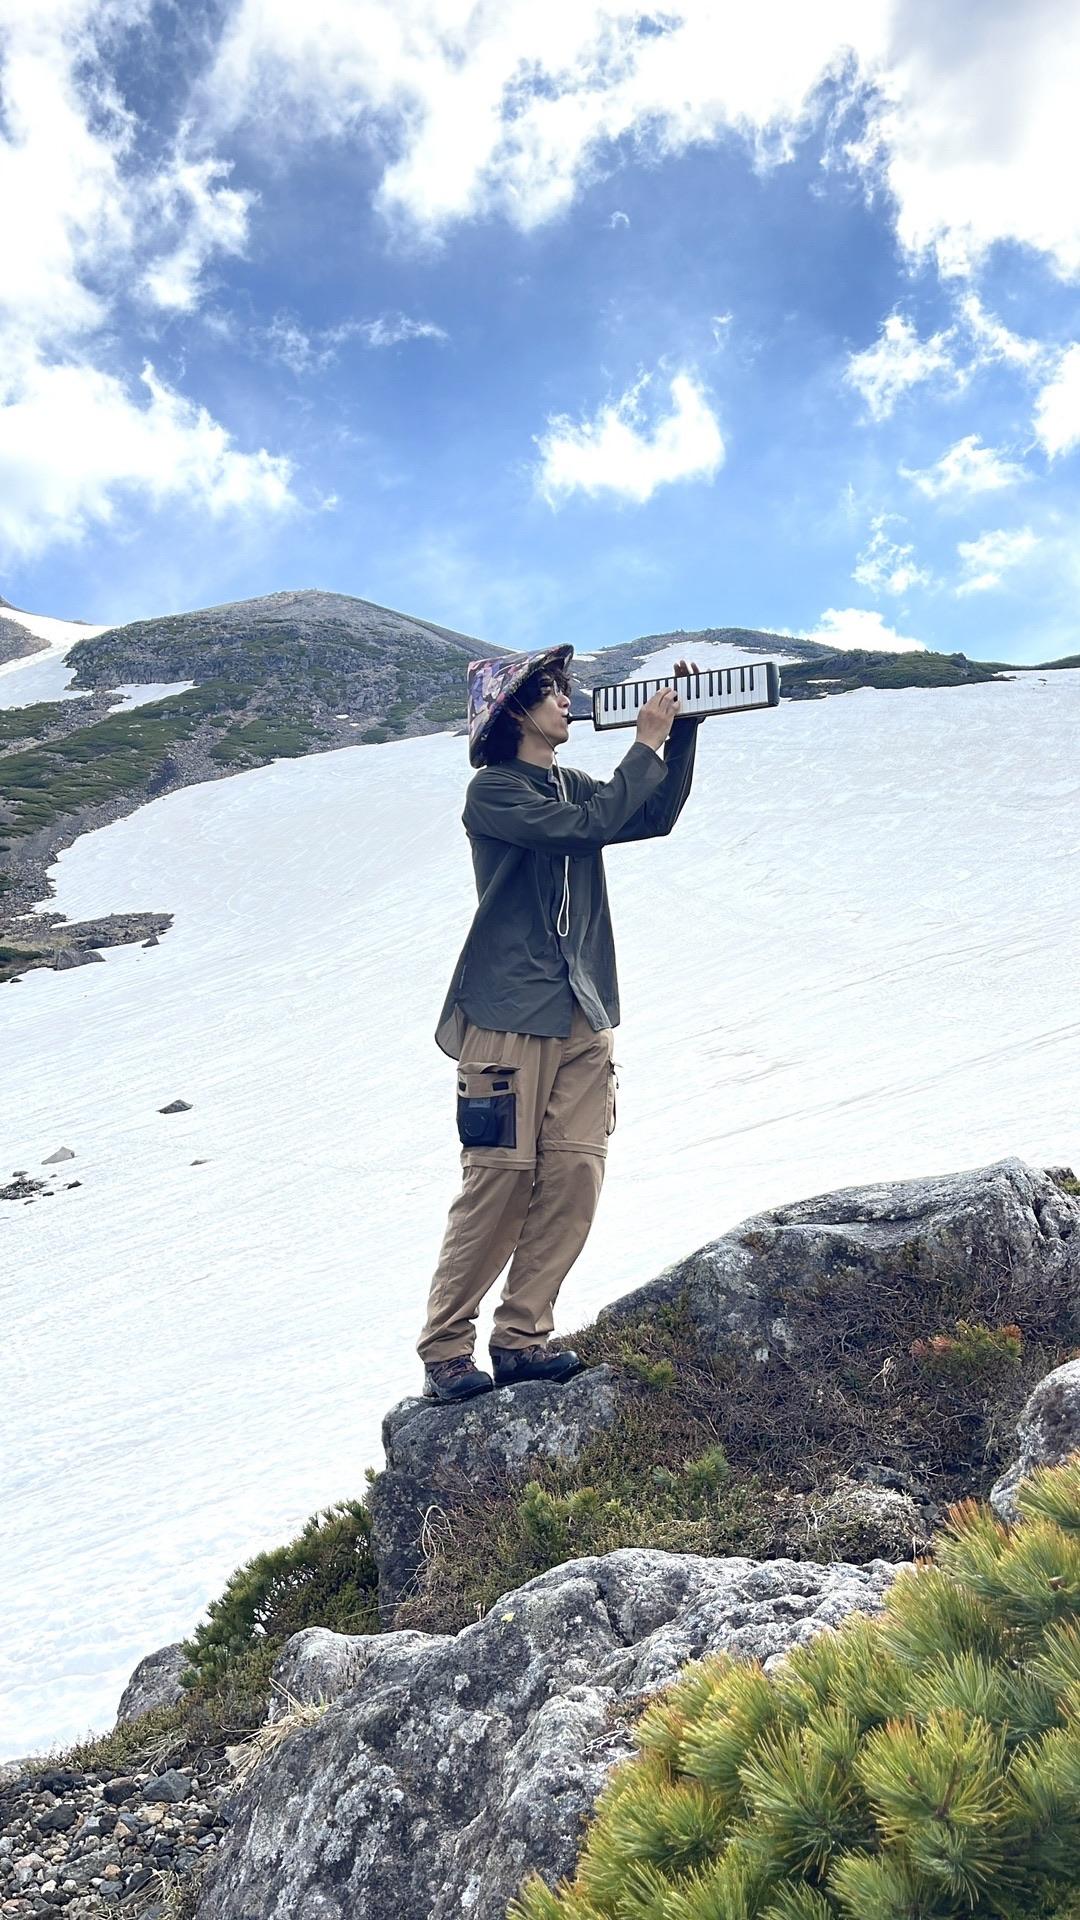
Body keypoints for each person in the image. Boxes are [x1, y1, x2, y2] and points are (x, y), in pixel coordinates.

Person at [418, 643, 704, 1403]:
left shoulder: (569, 784)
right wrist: (643, 745)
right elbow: (586, 828)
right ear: (513, 711)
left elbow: (650, 816)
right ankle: (446, 1349)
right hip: (507, 1013)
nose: (566, 699)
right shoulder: (493, 792)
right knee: (500, 1181)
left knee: (576, 1172)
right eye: (549, 691)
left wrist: (682, 735)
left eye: (564, 687)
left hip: (583, 1009)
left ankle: (522, 1339)